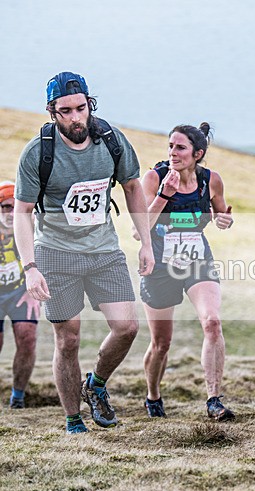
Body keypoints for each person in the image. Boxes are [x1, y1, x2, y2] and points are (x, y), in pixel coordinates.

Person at [15, 72, 154, 434]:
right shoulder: (37, 153)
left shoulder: (110, 140)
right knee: (69, 337)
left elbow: (132, 187)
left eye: (82, 108)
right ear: (52, 112)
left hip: (104, 250)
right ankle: (73, 419)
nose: (77, 117)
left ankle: (96, 384)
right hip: (55, 254)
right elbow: (22, 212)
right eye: (67, 111)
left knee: (127, 327)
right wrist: (30, 266)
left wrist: (146, 242)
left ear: (89, 103)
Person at [138, 123, 235, 421]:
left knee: (212, 322)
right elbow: (138, 228)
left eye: (180, 148)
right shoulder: (154, 179)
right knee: (161, 343)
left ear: (198, 154)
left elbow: (220, 212)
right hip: (158, 266)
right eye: (170, 146)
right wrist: (165, 196)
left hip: (197, 261)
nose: (172, 153)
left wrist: (223, 220)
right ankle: (153, 394)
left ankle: (213, 399)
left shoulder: (210, 181)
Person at [0, 182, 40, 408]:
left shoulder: (30, 225)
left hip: (21, 291)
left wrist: (31, 290)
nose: (11, 212)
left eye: (15, 207)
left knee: (27, 337)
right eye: (6, 206)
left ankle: (18, 397)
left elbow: (45, 254)